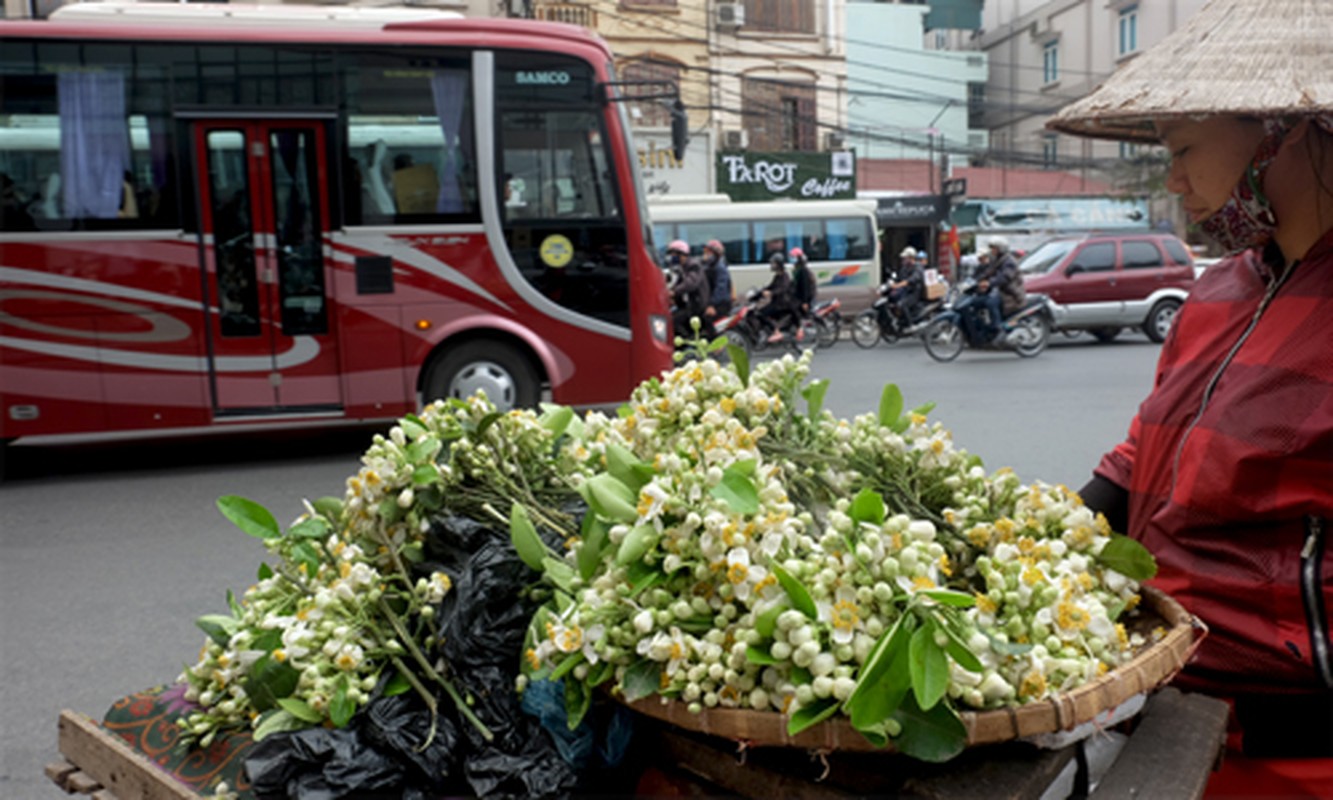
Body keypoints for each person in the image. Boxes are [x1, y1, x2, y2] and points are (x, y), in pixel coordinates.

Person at [1047, 0, 1332, 790]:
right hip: (1169, 714)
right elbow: (1145, 451)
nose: (1171, 178)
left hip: (1300, 747)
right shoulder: (1216, 294)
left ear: (1284, 130)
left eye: (1183, 149)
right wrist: (1028, 541)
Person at [668, 241, 709, 340]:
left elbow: (690, 283)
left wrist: (674, 292)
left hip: (697, 304)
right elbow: (677, 283)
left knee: (674, 321)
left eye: (674, 254)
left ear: (681, 254)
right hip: (688, 304)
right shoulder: (682, 267)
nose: (672, 257)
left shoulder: (693, 266)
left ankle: (686, 344)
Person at [759, 252, 797, 343]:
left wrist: (771, 293)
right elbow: (771, 286)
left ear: (779, 264)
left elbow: (782, 289)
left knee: (762, 314)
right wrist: (760, 292)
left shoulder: (784, 276)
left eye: (774, 263)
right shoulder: (777, 276)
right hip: (777, 302)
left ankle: (776, 331)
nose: (772, 265)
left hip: (782, 304)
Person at [888, 246, 925, 324]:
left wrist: (897, 286)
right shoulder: (904, 268)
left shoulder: (918, 267)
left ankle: (910, 325)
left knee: (902, 304)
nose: (903, 259)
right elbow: (899, 279)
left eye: (905, 258)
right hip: (904, 292)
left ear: (911, 258)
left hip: (914, 293)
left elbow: (911, 280)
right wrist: (892, 283)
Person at [702, 239, 734, 327]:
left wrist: (712, 305)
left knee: (707, 320)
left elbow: (720, 289)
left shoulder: (720, 267)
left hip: (720, 304)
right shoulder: (708, 266)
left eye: (708, 252)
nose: (705, 255)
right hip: (712, 302)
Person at [789, 247, 817, 321]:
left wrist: (805, 302)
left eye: (793, 257)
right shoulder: (797, 269)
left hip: (805, 298)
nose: (791, 259)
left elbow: (805, 287)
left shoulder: (803, 271)